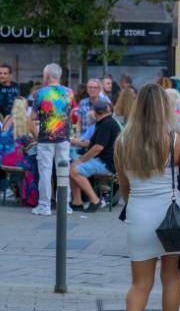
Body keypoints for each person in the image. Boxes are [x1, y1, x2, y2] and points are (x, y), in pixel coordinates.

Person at [114, 84, 180, 311]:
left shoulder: (123, 141)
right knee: (171, 279)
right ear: (164, 107)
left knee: (140, 284)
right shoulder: (174, 140)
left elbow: (123, 187)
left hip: (138, 214)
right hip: (169, 216)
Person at [29, 64, 74, 216]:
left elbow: (33, 117)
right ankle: (65, 206)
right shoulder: (69, 92)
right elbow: (70, 113)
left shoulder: (41, 93)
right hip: (64, 137)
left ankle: (44, 206)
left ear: (47, 76)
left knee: (45, 173)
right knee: (63, 172)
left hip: (45, 138)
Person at [69, 101, 120, 212]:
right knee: (72, 166)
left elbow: (98, 148)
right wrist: (75, 142)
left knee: (73, 170)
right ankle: (77, 202)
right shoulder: (105, 122)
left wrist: (81, 160)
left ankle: (95, 200)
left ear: (95, 112)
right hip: (105, 160)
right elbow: (91, 143)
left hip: (106, 163)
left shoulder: (106, 124)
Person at [0, 97, 38, 206]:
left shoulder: (7, 118)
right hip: (16, 160)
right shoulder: (28, 120)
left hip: (2, 158)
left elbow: (7, 138)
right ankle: (29, 197)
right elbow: (38, 139)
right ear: (25, 107)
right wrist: (29, 143)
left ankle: (15, 187)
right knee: (34, 163)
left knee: (26, 156)